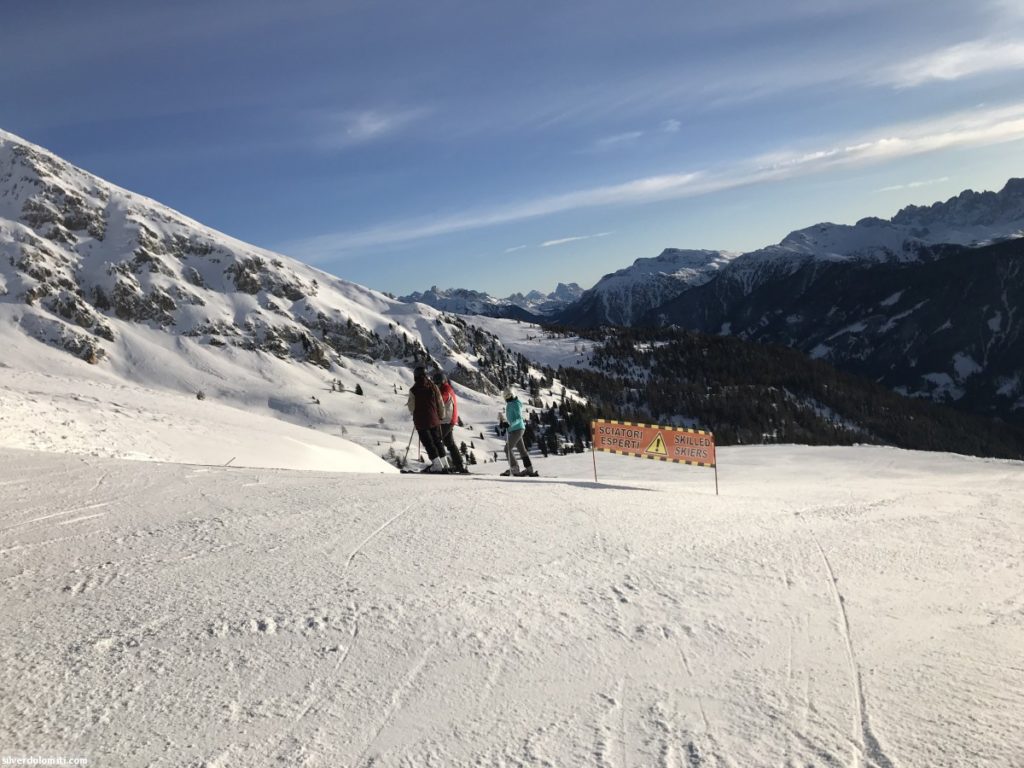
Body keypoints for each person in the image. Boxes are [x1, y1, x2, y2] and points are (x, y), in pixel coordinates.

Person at [406, 366, 450, 473]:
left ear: (416, 376)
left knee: (428, 443)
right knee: (437, 441)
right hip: (434, 419)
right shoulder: (433, 386)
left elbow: (411, 407)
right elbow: (440, 402)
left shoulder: (413, 389)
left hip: (421, 421)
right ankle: (445, 464)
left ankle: (437, 465)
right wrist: (441, 416)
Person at [433, 372, 468, 474]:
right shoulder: (443, 389)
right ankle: (459, 466)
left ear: (442, 382)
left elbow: (441, 399)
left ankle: (440, 465)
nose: (436, 385)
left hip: (447, 421)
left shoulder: (446, 390)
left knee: (436, 440)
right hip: (447, 420)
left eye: (437, 383)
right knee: (449, 443)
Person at [501, 386, 536, 477]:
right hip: (513, 430)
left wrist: (510, 424)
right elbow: (511, 418)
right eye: (506, 398)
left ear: (512, 395)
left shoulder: (516, 404)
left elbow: (518, 418)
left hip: (518, 429)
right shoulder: (509, 404)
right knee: (522, 450)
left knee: (507, 448)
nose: (508, 399)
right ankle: (529, 469)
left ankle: (514, 467)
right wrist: (505, 423)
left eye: (509, 397)